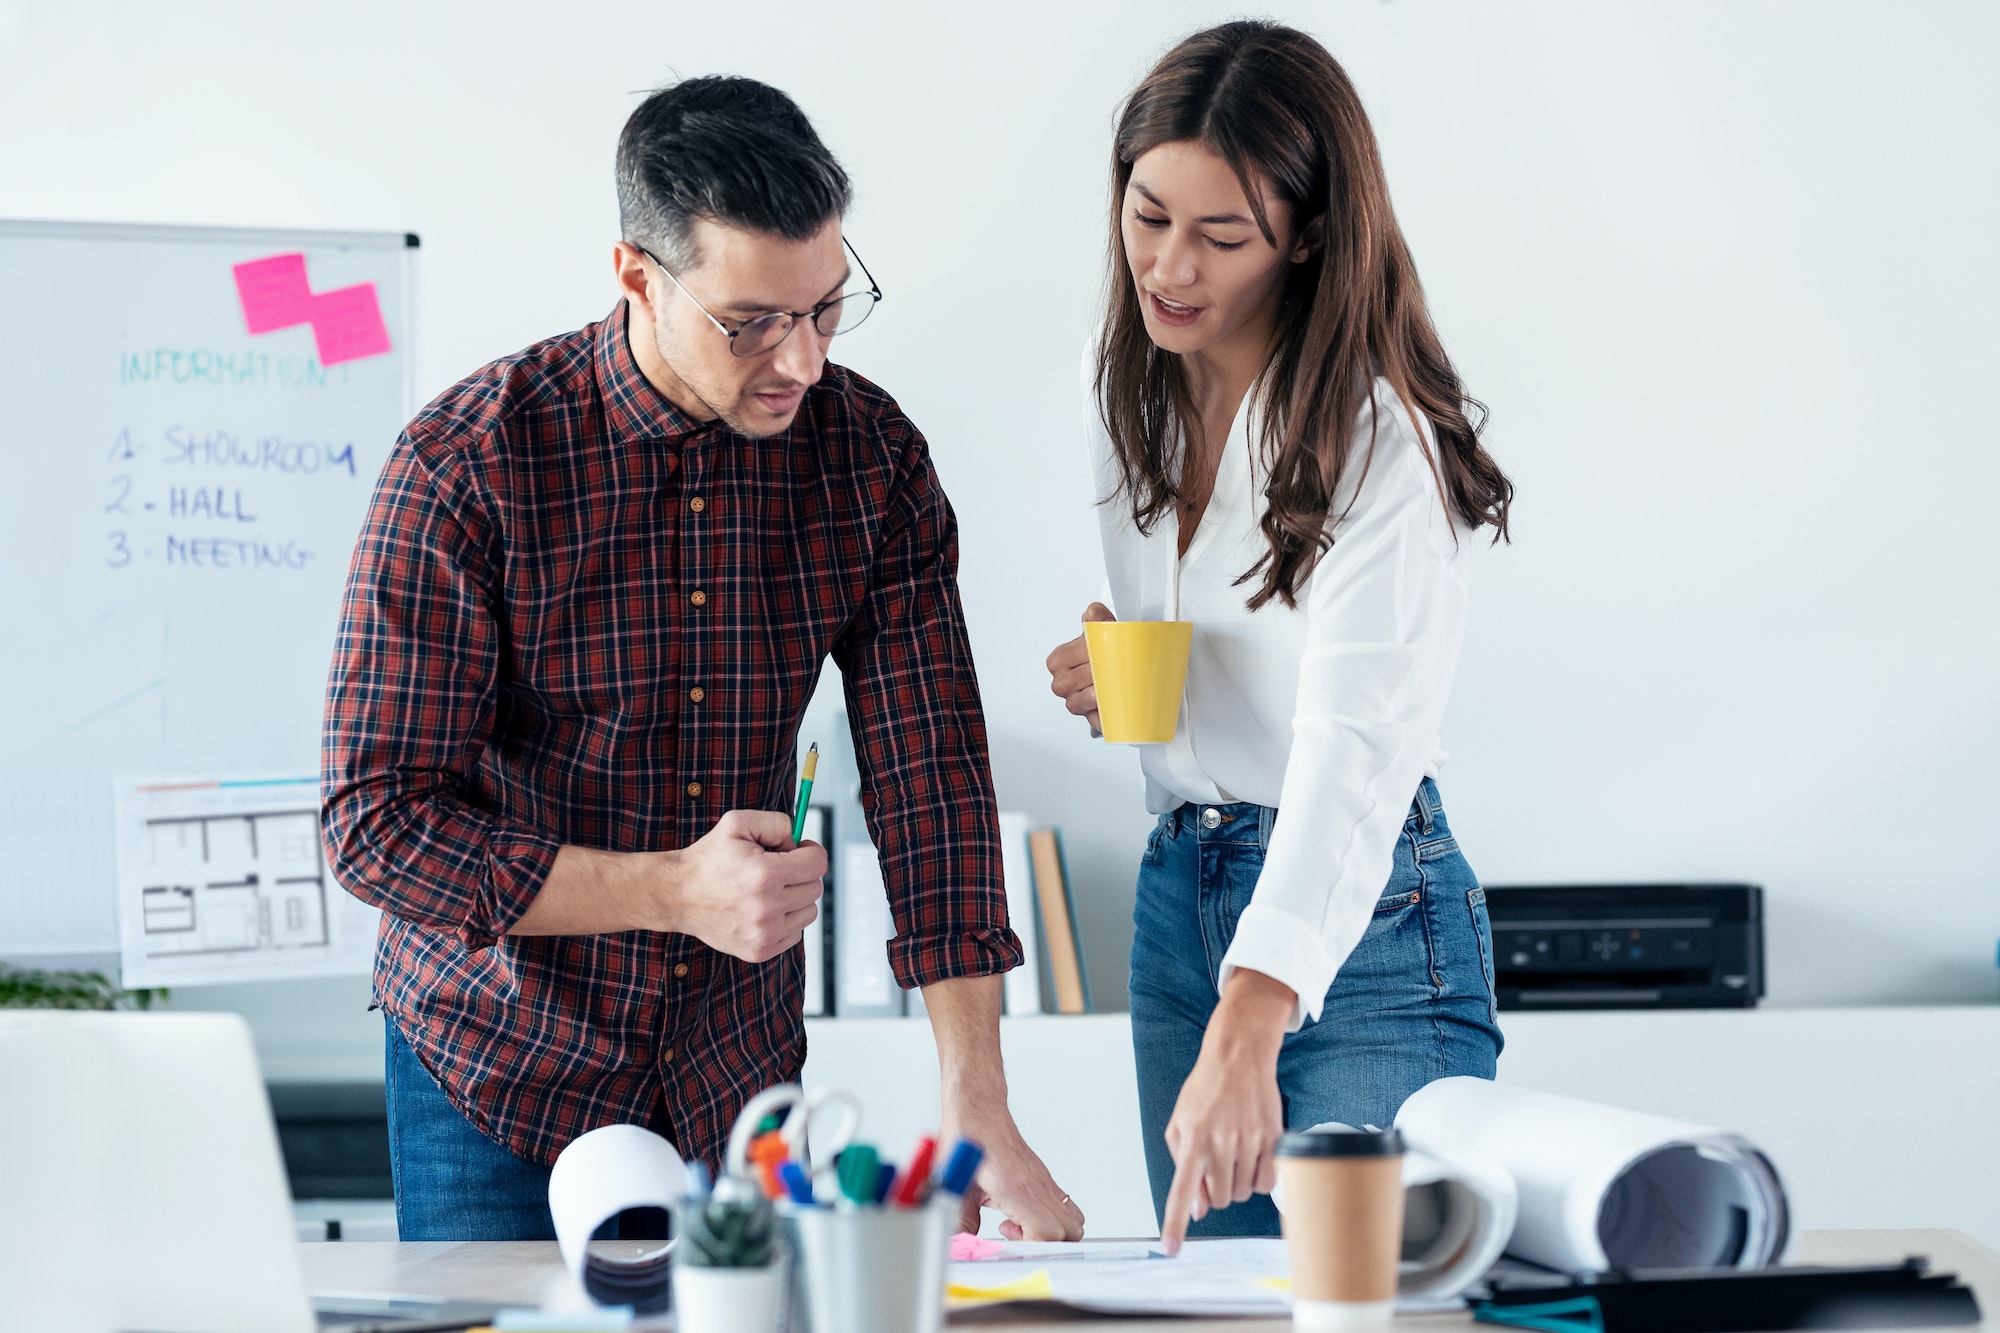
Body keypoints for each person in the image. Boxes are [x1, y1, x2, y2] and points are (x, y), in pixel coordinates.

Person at [323, 74, 1080, 1243]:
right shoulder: (468, 464)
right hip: (497, 1069)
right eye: (750, 323)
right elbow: (375, 824)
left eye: (827, 308)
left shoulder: (867, 462)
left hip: (733, 1080)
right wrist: (673, 890)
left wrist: (974, 1103)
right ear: (636, 276)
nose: (801, 363)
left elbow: (930, 784)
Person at [1045, 20, 1516, 1252]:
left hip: (1360, 922)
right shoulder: (1130, 397)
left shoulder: (1376, 439)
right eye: (1147, 216)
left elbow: (1352, 748)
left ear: (1304, 236)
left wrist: (1252, 1013)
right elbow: (1233, 648)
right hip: (1178, 896)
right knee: (1216, 1297)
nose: (1167, 266)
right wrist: (1126, 672)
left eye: (1220, 236)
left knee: (1357, 1299)